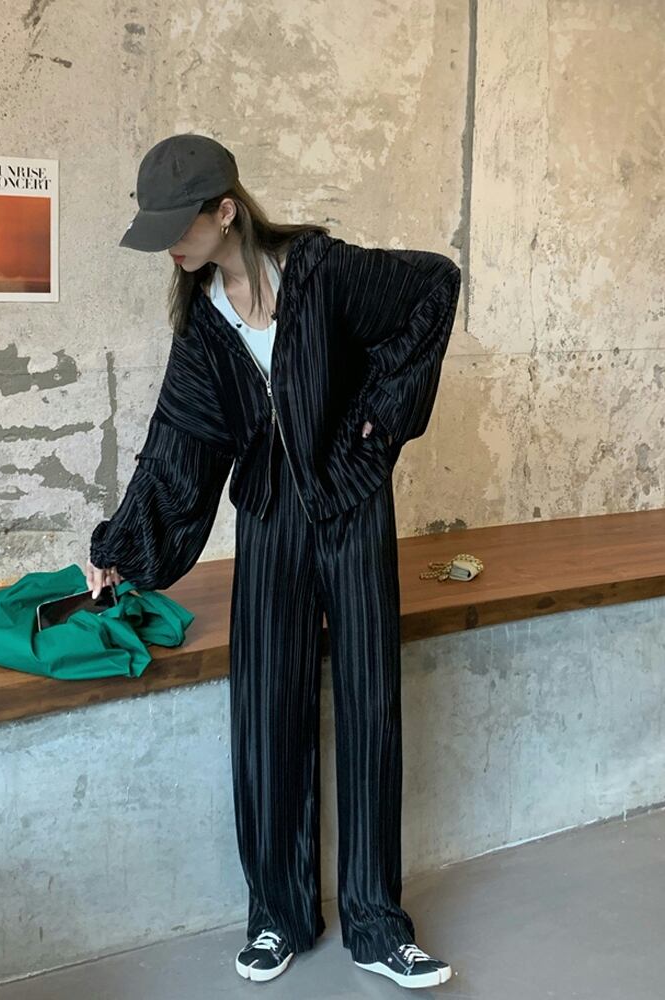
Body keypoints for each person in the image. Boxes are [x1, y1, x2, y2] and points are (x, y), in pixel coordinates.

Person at [86, 133, 460, 990]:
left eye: (178, 227)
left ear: (226, 211)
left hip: (352, 500)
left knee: (370, 705)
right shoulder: (204, 326)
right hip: (270, 516)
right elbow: (175, 446)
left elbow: (434, 286)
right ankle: (277, 915)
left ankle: (377, 923)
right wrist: (119, 550)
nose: (169, 249)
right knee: (266, 712)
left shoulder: (324, 272)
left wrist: (379, 414)